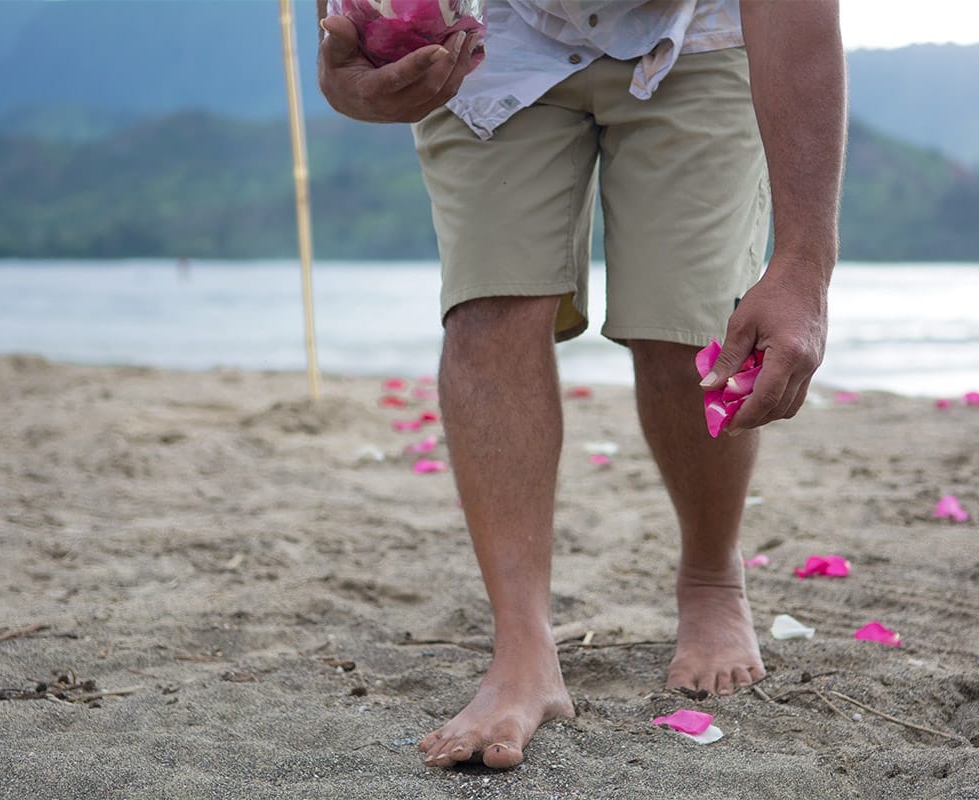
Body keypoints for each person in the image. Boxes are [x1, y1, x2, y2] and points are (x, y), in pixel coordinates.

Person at [317, 0, 846, 770]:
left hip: (698, 30)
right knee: (490, 305)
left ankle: (710, 575)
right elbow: (345, 33)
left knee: (687, 326)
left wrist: (805, 260)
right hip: (490, 30)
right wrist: (350, 68)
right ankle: (522, 648)